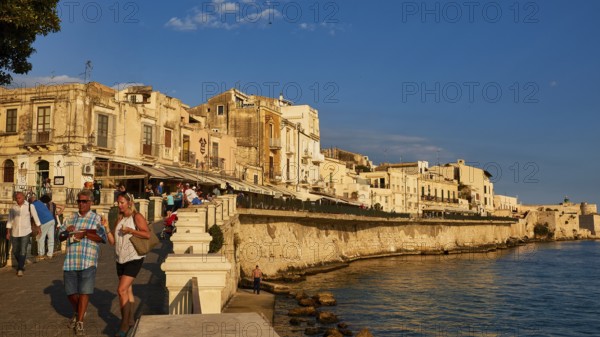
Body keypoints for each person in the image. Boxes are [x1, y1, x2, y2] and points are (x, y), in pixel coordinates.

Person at [59, 189, 107, 336]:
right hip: (71, 260)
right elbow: (60, 236)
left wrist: (86, 233)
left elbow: (102, 238)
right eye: (79, 201)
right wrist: (67, 232)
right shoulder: (70, 218)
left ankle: (80, 322)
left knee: (85, 291)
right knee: (70, 293)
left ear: (90, 203)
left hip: (88, 260)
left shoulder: (97, 219)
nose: (81, 204)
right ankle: (78, 311)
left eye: (84, 201)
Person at [104, 192, 150, 336]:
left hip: (134, 258)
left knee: (121, 290)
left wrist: (131, 230)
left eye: (122, 202)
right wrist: (106, 227)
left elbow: (147, 234)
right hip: (120, 259)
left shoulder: (137, 217)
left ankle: (123, 326)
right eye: (118, 202)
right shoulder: (119, 219)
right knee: (128, 290)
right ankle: (130, 320)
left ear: (129, 202)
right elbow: (112, 242)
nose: (119, 205)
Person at [6, 192, 34, 276]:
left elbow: (35, 217)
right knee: (15, 251)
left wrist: (38, 228)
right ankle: (22, 262)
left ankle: (20, 268)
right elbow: (9, 220)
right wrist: (8, 232)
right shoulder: (13, 208)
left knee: (23, 250)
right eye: (17, 198)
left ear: (23, 198)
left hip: (26, 231)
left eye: (19, 198)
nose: (18, 200)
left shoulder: (30, 206)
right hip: (15, 231)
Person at [29, 194, 56, 261]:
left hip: (44, 221)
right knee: (51, 238)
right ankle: (50, 254)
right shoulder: (40, 202)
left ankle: (41, 254)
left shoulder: (32, 205)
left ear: (30, 201)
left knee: (40, 238)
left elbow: (35, 216)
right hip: (51, 219)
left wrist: (38, 226)